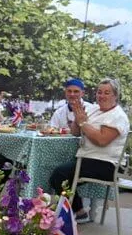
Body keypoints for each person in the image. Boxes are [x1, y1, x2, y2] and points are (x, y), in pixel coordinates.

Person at [50, 78, 129, 223]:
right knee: (59, 172)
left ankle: (75, 212)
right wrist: (76, 118)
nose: (102, 96)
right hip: (88, 159)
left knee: (60, 174)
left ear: (115, 96)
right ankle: (76, 211)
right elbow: (75, 132)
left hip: (106, 164)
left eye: (107, 93)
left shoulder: (117, 116)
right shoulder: (94, 109)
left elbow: (101, 140)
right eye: (99, 92)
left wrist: (83, 123)